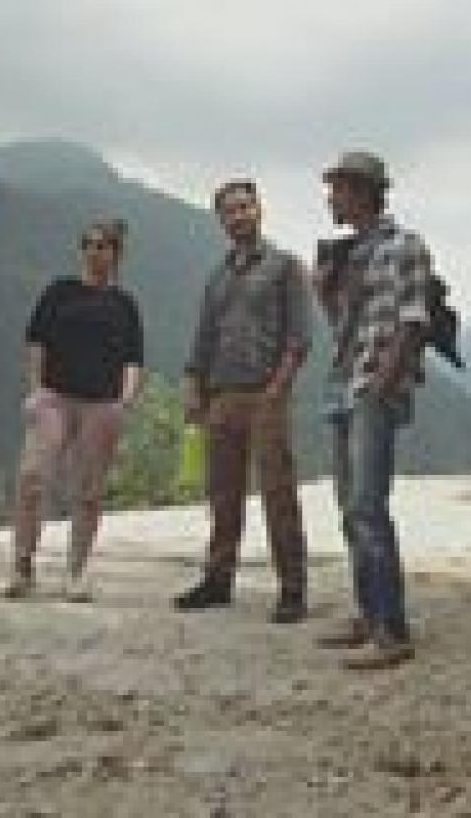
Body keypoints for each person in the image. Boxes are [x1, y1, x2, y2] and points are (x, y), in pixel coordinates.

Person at [174, 180, 312, 624]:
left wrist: (277, 390)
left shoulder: (285, 266)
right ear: (220, 220)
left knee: (278, 493)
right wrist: (193, 384)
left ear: (259, 209)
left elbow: (298, 338)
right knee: (222, 494)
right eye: (229, 211)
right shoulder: (217, 278)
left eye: (244, 207)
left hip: (265, 394)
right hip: (220, 396)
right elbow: (203, 339)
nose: (238, 216)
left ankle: (292, 588)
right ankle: (218, 580)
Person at [315, 151, 431, 669]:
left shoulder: (405, 246)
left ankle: (391, 631)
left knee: (367, 506)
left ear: (364, 191)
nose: (331, 199)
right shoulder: (348, 254)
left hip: (370, 389)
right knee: (350, 508)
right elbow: (343, 328)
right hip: (343, 386)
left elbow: (414, 321)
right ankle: (368, 614)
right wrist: (324, 292)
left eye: (338, 189)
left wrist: (381, 386)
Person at [5, 220, 143, 602]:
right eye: (89, 244)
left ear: (116, 254)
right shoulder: (59, 292)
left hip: (102, 403)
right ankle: (22, 567)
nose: (95, 251)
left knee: (89, 491)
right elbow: (36, 342)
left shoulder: (124, 304)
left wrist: (125, 400)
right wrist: (36, 391)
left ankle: (76, 573)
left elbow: (133, 359)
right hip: (55, 397)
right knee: (32, 476)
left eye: (103, 246)